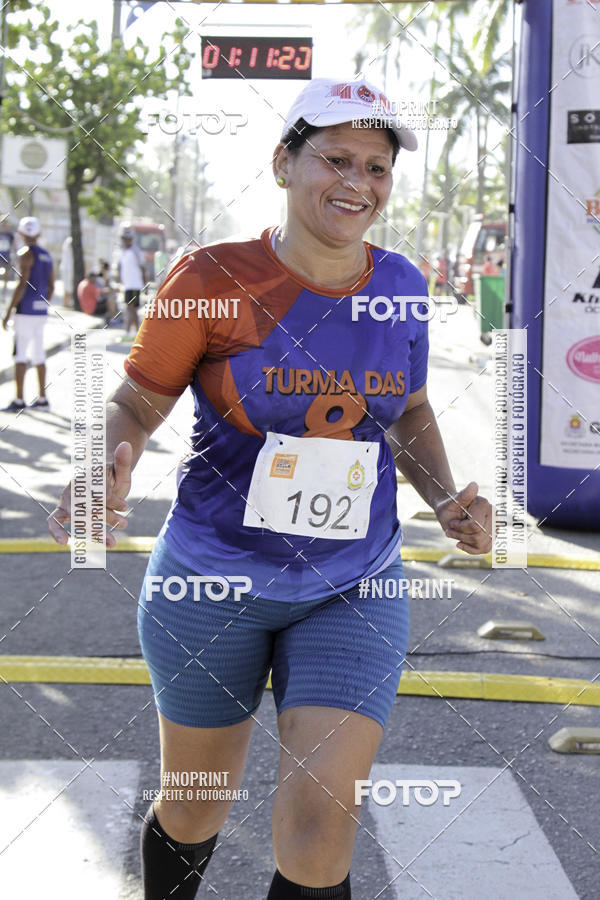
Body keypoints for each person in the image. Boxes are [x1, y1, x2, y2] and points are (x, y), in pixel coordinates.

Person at [47, 77, 493, 899]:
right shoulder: (211, 278)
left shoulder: (400, 286)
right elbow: (137, 402)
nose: (358, 181)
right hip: (210, 581)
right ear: (284, 163)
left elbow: (410, 409)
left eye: (377, 167)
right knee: (195, 806)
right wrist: (99, 469)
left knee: (321, 834)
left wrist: (443, 497)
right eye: (336, 159)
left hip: (353, 583)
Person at [2, 216, 54, 411]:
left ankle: (18, 399)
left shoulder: (25, 254)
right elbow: (50, 286)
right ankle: (42, 399)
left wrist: (8, 311)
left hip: (25, 312)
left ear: (21, 233)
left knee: (20, 355)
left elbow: (22, 284)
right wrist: (43, 304)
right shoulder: (46, 255)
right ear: (38, 233)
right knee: (39, 354)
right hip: (40, 312)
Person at [117, 226, 146, 336]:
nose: (126, 241)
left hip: (135, 284)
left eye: (128, 239)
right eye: (124, 239)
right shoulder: (122, 252)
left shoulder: (135, 251)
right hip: (127, 285)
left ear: (131, 239)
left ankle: (130, 332)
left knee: (131, 308)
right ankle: (135, 332)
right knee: (130, 308)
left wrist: (144, 283)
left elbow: (142, 268)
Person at [0, 226, 15, 299]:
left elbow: (13, 245)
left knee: (6, 276)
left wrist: (13, 255)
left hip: (6, 258)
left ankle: (3, 294)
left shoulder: (10, 235)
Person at [60, 235, 74, 308]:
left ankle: (66, 302)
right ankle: (67, 303)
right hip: (68, 267)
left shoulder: (67, 241)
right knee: (68, 286)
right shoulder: (70, 240)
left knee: (67, 286)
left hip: (66, 267)